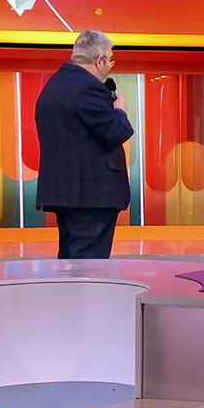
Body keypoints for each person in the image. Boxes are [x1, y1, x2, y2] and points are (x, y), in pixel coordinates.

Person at [35, 30, 134, 259]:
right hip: (91, 195)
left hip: (66, 192)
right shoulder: (88, 88)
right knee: (89, 265)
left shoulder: (54, 84)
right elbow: (113, 132)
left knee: (72, 260)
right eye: (110, 60)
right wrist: (120, 111)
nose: (110, 67)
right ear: (99, 61)